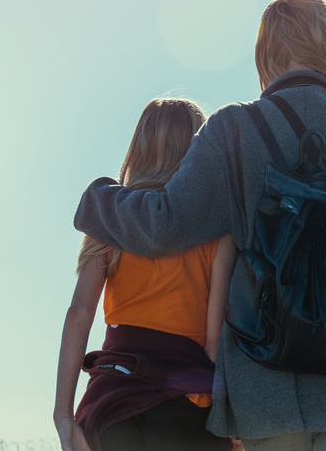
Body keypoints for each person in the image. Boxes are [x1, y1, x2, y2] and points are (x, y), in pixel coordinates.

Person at [73, 0, 326, 450]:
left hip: (265, 390)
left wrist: (98, 199)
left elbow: (165, 225)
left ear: (266, 54)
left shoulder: (232, 130)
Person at [54, 97, 237, 451]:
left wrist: (63, 415)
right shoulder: (217, 231)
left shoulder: (111, 219)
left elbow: (79, 313)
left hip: (114, 403)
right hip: (186, 409)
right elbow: (216, 345)